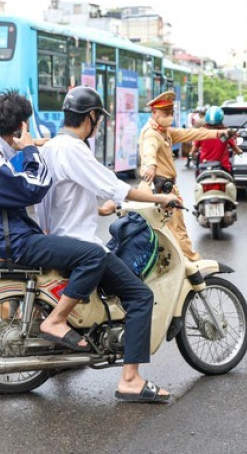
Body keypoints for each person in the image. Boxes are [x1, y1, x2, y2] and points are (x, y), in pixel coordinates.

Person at [35, 86, 181, 402]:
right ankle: (130, 379)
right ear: (91, 118)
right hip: (79, 244)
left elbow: (70, 194)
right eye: (98, 119)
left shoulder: (52, 147)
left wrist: (100, 207)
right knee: (140, 296)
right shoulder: (75, 150)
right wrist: (161, 196)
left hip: (56, 238)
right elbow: (117, 188)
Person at [0, 93, 108, 356]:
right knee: (93, 255)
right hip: (15, 243)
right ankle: (56, 321)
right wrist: (31, 148)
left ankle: (56, 332)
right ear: (21, 127)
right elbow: (37, 187)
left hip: (9, 237)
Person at [139, 91, 234, 261]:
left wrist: (218, 133)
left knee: (165, 231)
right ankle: (192, 264)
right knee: (177, 229)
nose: (169, 116)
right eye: (165, 113)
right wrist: (151, 165)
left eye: (171, 113)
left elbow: (194, 134)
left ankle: (174, 264)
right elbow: (149, 150)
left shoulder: (165, 132)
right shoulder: (152, 133)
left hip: (162, 188)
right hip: (161, 189)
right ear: (154, 113)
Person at [188, 106, 243, 175]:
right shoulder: (225, 133)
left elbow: (193, 151)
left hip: (204, 168)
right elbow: (236, 149)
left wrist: (191, 155)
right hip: (223, 168)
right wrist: (240, 152)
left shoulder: (202, 132)